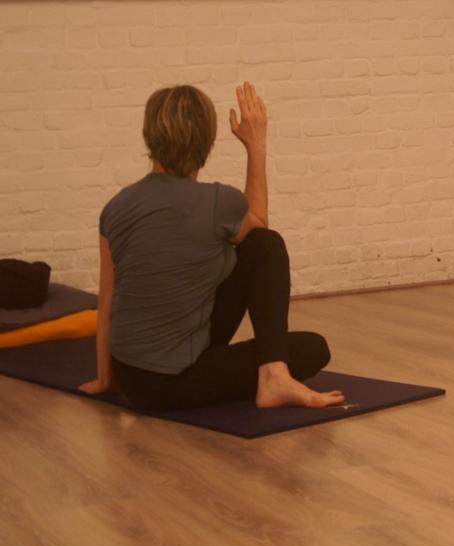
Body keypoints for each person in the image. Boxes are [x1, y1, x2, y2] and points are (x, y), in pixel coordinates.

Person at [79, 82, 345, 411]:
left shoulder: (115, 208)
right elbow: (259, 228)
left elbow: (108, 295)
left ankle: (270, 375)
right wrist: (255, 144)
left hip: (129, 377)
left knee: (253, 246)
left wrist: (107, 379)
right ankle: (274, 376)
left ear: (149, 136)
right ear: (207, 141)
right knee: (311, 346)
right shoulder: (218, 202)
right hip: (172, 384)